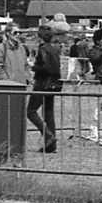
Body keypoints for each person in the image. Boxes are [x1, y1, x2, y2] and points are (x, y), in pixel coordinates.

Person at [28, 24, 62, 155]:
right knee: (48, 112)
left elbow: (46, 68)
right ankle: (51, 145)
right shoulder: (53, 48)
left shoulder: (43, 49)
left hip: (43, 83)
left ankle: (48, 136)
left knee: (30, 111)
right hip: (52, 84)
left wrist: (33, 66)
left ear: (40, 37)